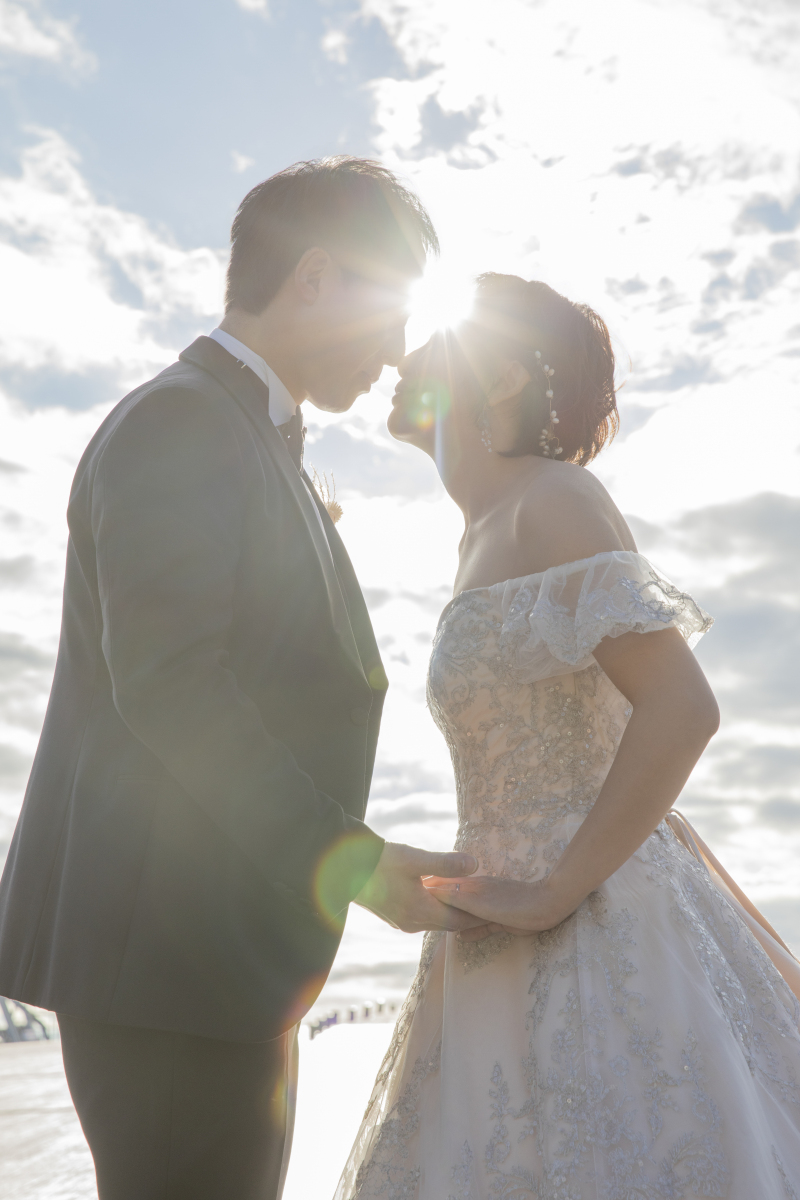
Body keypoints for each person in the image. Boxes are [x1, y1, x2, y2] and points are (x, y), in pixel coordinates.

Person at [0, 157, 481, 1200]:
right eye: (389, 315)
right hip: (161, 954)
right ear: (313, 278)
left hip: (213, 953)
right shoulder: (181, 421)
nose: (398, 353)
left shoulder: (252, 437)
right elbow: (171, 686)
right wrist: (353, 864)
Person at [335, 273, 800, 1199]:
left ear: (501, 377)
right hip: (490, 916)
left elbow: (683, 707)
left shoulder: (554, 499)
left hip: (591, 913)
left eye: (437, 339)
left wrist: (553, 891)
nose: (405, 357)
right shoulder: (482, 530)